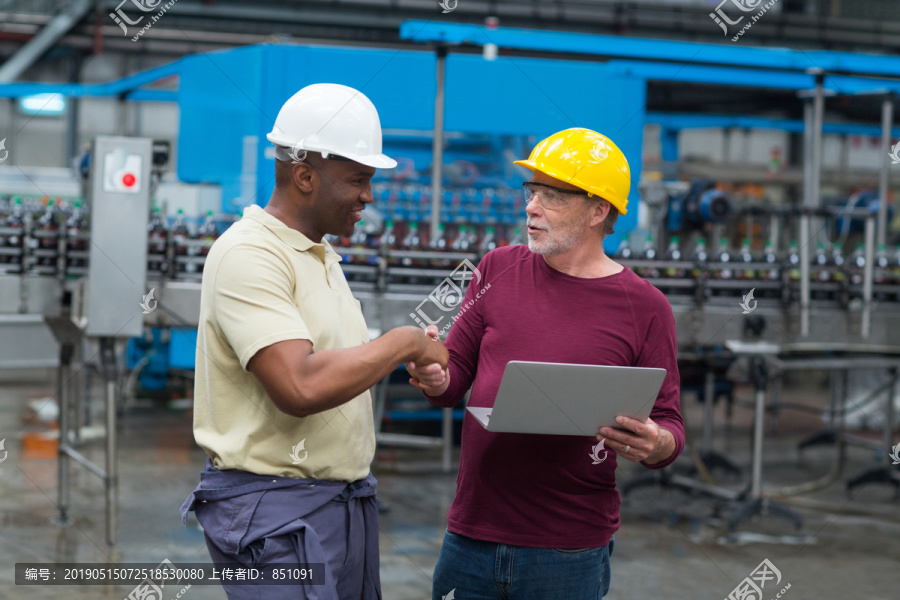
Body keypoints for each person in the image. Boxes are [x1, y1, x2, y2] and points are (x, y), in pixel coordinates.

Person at [180, 83, 448, 600]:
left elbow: (330, 362)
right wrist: (403, 344)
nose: (368, 196)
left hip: (343, 504)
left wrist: (401, 360)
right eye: (358, 180)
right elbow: (298, 387)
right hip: (275, 517)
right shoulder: (250, 254)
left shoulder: (319, 256)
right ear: (305, 175)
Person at [407, 128, 684, 600]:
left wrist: (655, 443)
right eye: (531, 191)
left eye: (552, 196)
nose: (532, 206)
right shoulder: (496, 268)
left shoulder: (645, 306)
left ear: (599, 211)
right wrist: (434, 375)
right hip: (471, 534)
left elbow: (670, 425)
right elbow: (453, 381)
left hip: (569, 550)